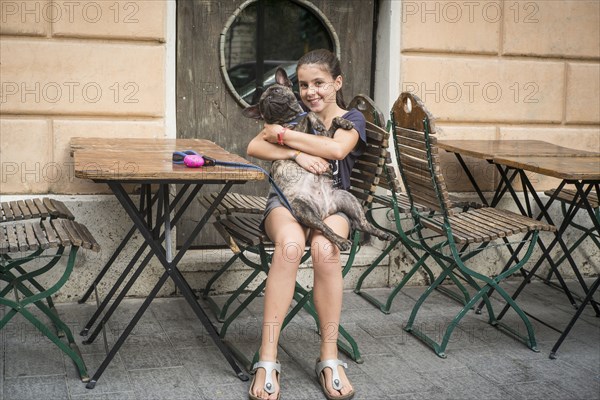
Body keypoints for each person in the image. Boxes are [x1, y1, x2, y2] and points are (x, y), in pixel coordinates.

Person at [246, 49, 366, 400]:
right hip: (286, 202)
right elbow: (254, 145)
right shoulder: (291, 113)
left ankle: (329, 356)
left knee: (325, 249)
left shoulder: (353, 118)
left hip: (331, 205)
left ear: (337, 83)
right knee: (290, 247)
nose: (310, 91)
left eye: (319, 84)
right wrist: (296, 152)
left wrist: (281, 136)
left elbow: (337, 151)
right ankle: (267, 358)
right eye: (303, 85)